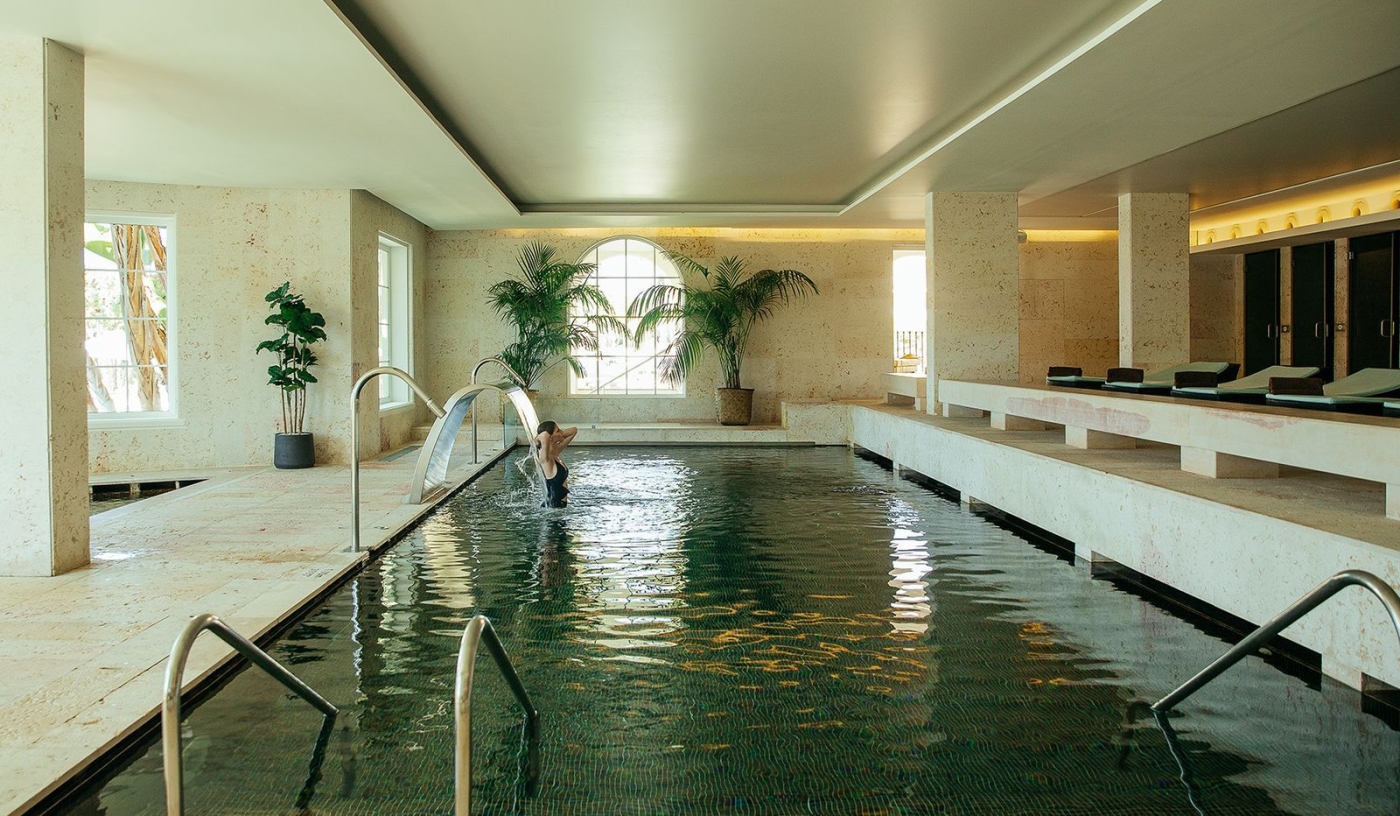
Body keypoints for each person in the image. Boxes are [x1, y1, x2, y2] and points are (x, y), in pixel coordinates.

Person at [534, 420, 577, 508]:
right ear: (550, 437)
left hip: (557, 507)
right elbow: (544, 435)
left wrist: (559, 434)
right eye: (558, 431)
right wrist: (537, 439)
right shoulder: (545, 459)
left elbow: (574, 430)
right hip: (553, 507)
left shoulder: (556, 450)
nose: (561, 432)